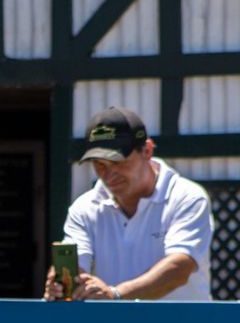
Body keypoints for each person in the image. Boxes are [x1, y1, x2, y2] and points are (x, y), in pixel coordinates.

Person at [45, 106, 213, 301]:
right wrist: (61, 283)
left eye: (117, 162)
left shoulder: (188, 197)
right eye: (99, 164)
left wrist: (116, 294)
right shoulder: (84, 208)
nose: (108, 174)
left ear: (147, 150)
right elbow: (73, 266)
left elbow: (179, 268)